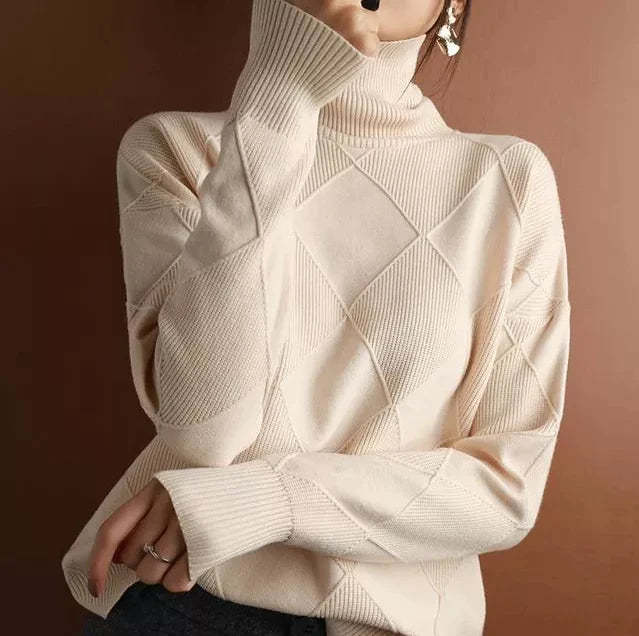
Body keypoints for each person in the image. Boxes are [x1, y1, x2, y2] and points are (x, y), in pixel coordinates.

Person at [62, 0, 571, 634]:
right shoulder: (174, 148)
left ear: (455, 5)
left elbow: (506, 490)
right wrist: (279, 91)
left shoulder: (510, 180)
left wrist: (269, 498)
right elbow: (203, 431)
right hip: (191, 601)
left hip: (393, 621)